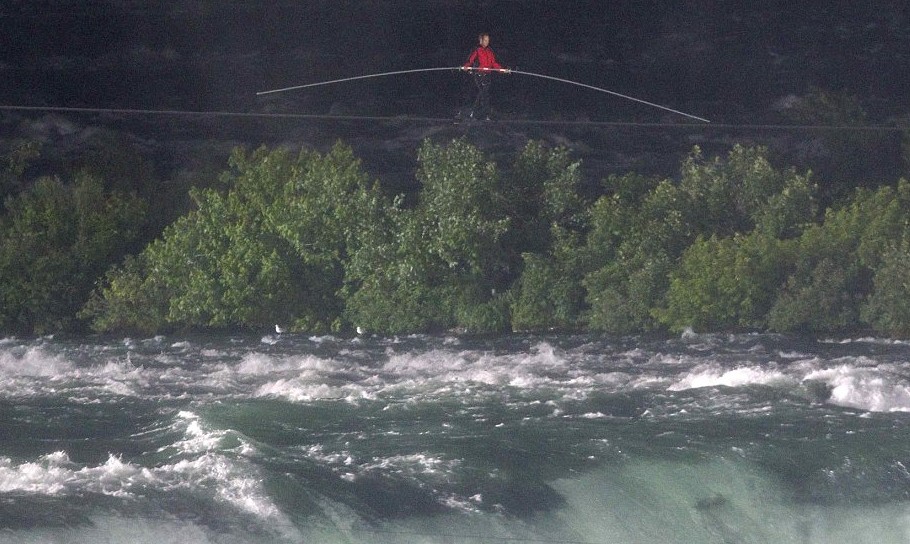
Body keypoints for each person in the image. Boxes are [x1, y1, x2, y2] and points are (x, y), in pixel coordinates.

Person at [459, 32, 510, 121]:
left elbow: (494, 63)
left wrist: (502, 70)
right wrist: (465, 67)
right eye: (485, 40)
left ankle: (475, 113)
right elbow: (470, 60)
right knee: (484, 93)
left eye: (488, 40)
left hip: (487, 75)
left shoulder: (490, 51)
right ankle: (483, 114)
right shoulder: (477, 50)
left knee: (483, 93)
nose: (487, 42)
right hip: (479, 74)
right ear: (481, 40)